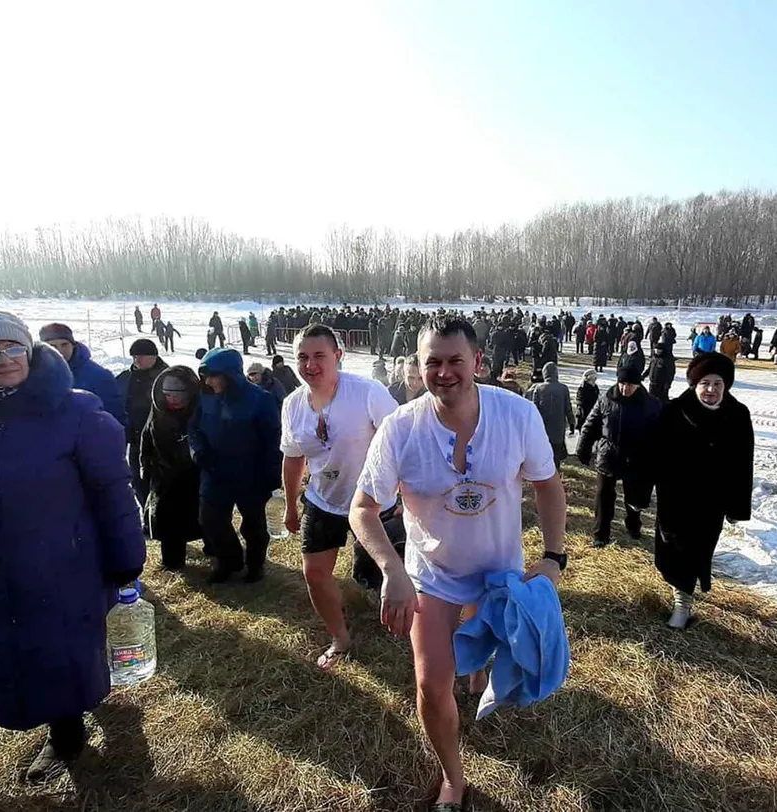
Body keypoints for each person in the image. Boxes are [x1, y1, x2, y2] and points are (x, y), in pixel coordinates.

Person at [349, 317, 567, 810]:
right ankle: (453, 777)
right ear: (419, 365)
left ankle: (477, 666)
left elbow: (548, 485)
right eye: (433, 362)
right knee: (431, 684)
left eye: (455, 361)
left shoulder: (517, 414)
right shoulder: (401, 428)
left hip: (499, 571)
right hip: (434, 574)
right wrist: (392, 570)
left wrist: (554, 557)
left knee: (476, 640)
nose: (444, 372)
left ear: (478, 363)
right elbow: (362, 508)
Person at [0, 311, 145, 782]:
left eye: (13, 347)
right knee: (3, 648)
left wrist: (125, 559)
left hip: (60, 563)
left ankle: (66, 737)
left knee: (60, 649)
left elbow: (112, 492)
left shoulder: (75, 412)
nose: (5, 360)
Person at [280, 325, 400, 670]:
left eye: (319, 356)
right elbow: (293, 458)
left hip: (374, 502)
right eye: (302, 357)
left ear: (338, 356)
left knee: (389, 571)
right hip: (323, 500)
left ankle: (402, 621)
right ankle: (340, 638)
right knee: (315, 574)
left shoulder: (367, 392)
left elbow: (401, 442)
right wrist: (290, 505)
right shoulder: (292, 405)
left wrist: (407, 496)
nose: (310, 365)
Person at [653, 352, 753, 629]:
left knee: (696, 552)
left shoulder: (738, 415)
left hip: (712, 502)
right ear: (694, 384)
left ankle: (682, 604)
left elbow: (743, 463)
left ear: (726, 386)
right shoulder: (673, 412)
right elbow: (654, 456)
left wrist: (737, 507)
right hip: (675, 498)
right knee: (670, 552)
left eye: (717, 384)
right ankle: (679, 591)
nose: (711, 390)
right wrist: (640, 492)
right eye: (705, 383)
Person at [190, 348, 282, 584]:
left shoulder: (260, 399)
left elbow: (273, 440)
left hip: (250, 474)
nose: (208, 382)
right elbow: (193, 428)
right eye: (205, 376)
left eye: (213, 376)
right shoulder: (205, 396)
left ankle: (255, 564)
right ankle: (229, 560)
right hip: (214, 471)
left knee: (253, 524)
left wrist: (272, 476)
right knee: (210, 519)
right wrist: (197, 451)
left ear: (230, 375)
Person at [577, 365, 662, 544]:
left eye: (630, 385)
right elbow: (591, 424)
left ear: (638, 385)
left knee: (634, 498)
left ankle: (633, 526)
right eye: (622, 383)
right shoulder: (606, 399)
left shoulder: (651, 404)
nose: (625, 388)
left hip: (636, 458)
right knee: (604, 496)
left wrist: (655, 459)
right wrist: (583, 447)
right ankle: (600, 535)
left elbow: (660, 433)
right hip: (609, 455)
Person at [140, 366, 206, 570]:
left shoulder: (201, 412)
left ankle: (214, 552)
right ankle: (172, 562)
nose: (172, 399)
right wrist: (145, 465)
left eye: (178, 394)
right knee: (168, 523)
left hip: (195, 477)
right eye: (168, 394)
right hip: (165, 480)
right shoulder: (158, 411)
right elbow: (146, 438)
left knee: (205, 518)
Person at [39, 323, 127, 427]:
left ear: (73, 346)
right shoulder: (32, 374)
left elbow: (115, 417)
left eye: (65, 344)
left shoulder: (98, 376)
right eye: (52, 346)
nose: (60, 351)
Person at [116, 339, 169, 507]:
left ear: (154, 356)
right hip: (135, 439)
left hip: (161, 440)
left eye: (141, 356)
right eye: (134, 356)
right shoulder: (124, 378)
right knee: (138, 481)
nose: (136, 360)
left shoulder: (167, 377)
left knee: (164, 482)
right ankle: (148, 515)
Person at [526, 361, 576, 468]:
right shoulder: (563, 388)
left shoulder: (539, 388)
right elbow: (568, 408)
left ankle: (543, 471)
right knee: (556, 453)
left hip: (543, 425)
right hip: (558, 426)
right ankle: (555, 471)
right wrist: (572, 423)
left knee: (543, 452)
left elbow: (534, 409)